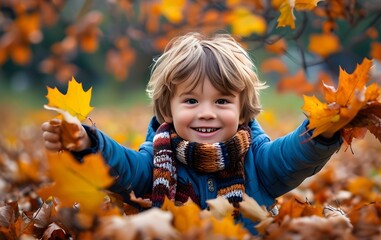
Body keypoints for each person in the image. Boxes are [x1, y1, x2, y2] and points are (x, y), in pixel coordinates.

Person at [41, 32, 343, 233]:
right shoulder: (159, 158)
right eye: (191, 100)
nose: (207, 112)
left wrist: (321, 130)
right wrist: (88, 143)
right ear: (168, 109)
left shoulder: (258, 160)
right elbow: (126, 167)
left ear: (241, 109)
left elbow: (292, 156)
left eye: (222, 100)